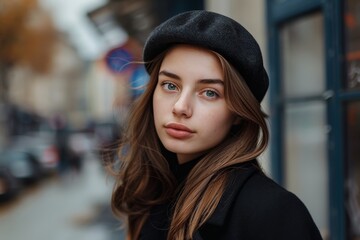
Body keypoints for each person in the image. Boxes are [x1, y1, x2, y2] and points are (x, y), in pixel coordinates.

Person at [110, 10, 323, 240]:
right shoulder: (152, 193)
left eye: (209, 93)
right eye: (170, 85)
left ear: (238, 112)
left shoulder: (273, 212)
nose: (181, 107)